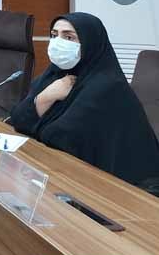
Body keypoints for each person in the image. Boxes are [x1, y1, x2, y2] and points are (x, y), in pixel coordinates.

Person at [11, 13, 159, 187]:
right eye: (54, 35)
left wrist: (38, 114)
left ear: (90, 43)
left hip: (123, 187)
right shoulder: (55, 75)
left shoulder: (108, 85)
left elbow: (58, 138)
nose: (58, 43)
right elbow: (18, 118)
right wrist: (46, 96)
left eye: (69, 37)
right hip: (67, 171)